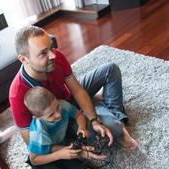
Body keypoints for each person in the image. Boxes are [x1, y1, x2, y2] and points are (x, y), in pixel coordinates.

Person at [9, 25, 138, 151]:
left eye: (51, 48)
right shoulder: (17, 93)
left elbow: (77, 90)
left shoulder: (56, 57)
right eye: (43, 53)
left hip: (70, 98)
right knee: (112, 129)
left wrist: (94, 120)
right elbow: (30, 142)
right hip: (62, 117)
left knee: (111, 69)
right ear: (24, 59)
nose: (53, 55)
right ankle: (101, 108)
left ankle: (117, 119)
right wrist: (66, 151)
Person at [25, 86, 105, 169]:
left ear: (55, 99)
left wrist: (82, 127)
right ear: (38, 117)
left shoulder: (62, 105)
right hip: (43, 161)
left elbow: (78, 115)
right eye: (51, 115)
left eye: (57, 107)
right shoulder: (38, 131)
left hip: (61, 150)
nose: (58, 114)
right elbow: (34, 160)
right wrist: (59, 154)